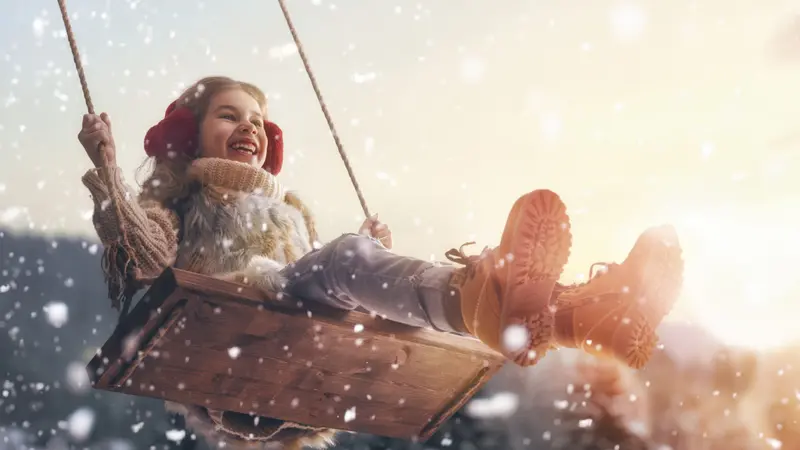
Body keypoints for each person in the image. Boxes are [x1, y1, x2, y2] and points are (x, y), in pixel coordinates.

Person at [78, 76, 684, 449]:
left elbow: (313, 274)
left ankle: (578, 314)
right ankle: (489, 300)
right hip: (237, 351)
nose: (250, 128)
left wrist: (367, 261)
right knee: (345, 260)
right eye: (230, 115)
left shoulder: (290, 210)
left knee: (352, 261)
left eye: (259, 120)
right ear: (192, 134)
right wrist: (108, 178)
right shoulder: (182, 204)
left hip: (300, 350)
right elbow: (143, 259)